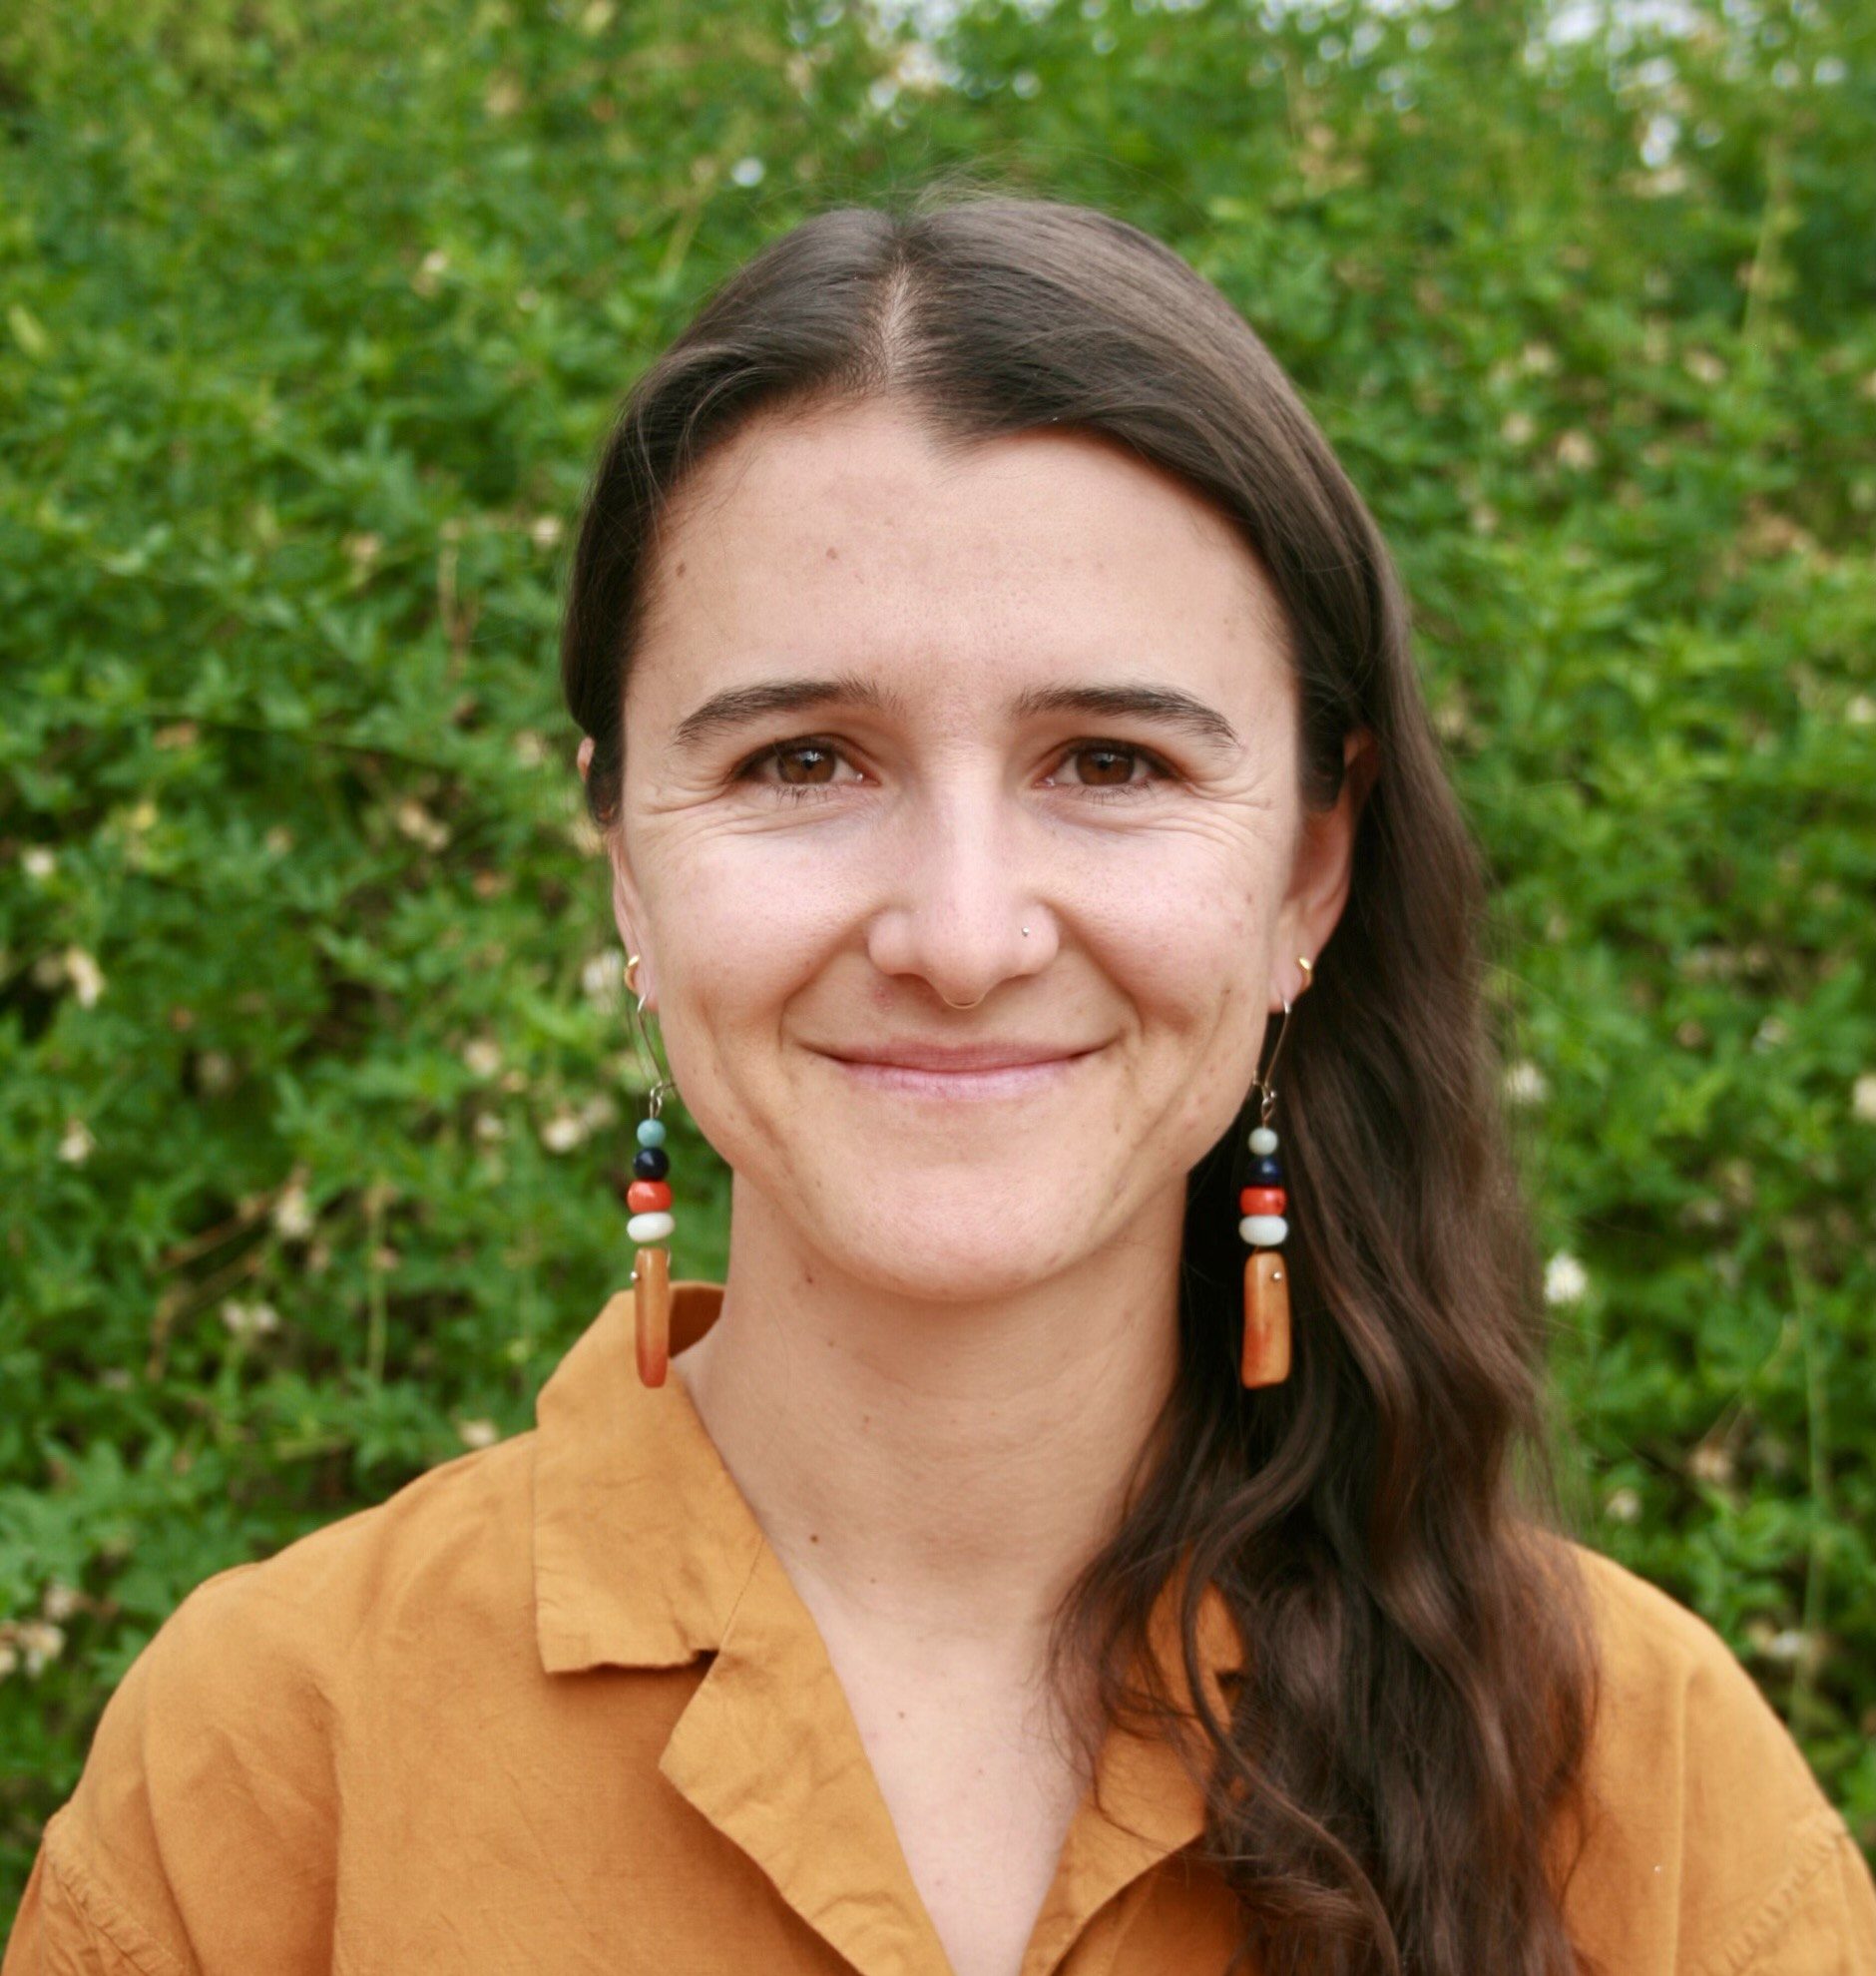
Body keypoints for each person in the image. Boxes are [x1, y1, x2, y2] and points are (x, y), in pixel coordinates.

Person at [7, 191, 1873, 1976]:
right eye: (803, 761)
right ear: (625, 863)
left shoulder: (1648, 1787)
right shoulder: (271, 1768)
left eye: (1113, 762)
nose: (963, 938)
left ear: (1311, 871)